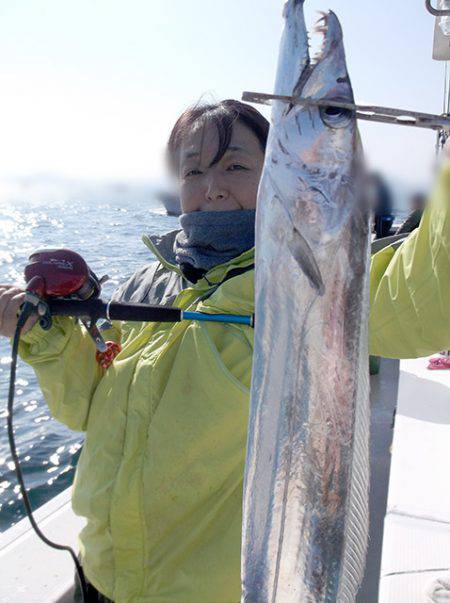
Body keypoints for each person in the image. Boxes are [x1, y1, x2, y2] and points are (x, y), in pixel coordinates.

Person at [1, 99, 450, 602]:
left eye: (235, 166)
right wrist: (46, 340)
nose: (211, 186)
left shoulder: (307, 283)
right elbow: (85, 408)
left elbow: (426, 298)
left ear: (276, 176)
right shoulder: (148, 282)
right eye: (193, 170)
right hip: (101, 576)